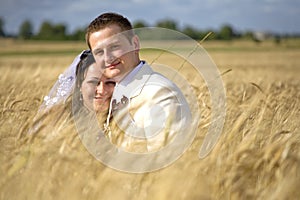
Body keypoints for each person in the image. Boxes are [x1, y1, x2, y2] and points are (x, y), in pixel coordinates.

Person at [85, 12, 192, 153]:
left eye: (114, 47)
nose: (107, 58)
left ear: (134, 44)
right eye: (99, 52)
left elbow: (165, 159)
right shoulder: (118, 91)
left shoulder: (160, 93)